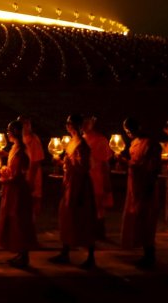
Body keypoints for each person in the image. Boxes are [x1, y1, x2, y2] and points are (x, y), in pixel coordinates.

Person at [50, 114, 97, 268]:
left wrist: (68, 163)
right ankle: (65, 251)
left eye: (69, 124)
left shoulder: (82, 144)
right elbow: (70, 162)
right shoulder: (72, 141)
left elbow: (84, 167)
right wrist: (62, 162)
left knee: (83, 218)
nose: (67, 126)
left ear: (74, 126)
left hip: (80, 185)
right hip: (70, 183)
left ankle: (90, 257)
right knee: (66, 216)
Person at [0, 120, 38, 268]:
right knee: (14, 222)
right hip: (13, 189)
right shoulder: (15, 148)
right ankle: (20, 253)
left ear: (15, 132)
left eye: (9, 131)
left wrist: (4, 179)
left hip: (18, 191)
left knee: (19, 221)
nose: (7, 134)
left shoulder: (21, 151)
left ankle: (24, 255)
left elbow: (19, 174)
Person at [120, 118, 162, 268]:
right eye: (126, 131)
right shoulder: (134, 143)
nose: (129, 133)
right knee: (137, 219)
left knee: (146, 220)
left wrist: (127, 163)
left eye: (131, 130)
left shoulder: (150, 144)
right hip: (134, 186)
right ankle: (144, 251)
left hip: (146, 185)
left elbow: (151, 167)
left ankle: (149, 254)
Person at [82, 116, 113, 239]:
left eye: (87, 123)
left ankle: (99, 232)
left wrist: (106, 181)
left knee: (98, 206)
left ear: (92, 123)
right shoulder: (82, 139)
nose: (83, 126)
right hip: (85, 178)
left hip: (97, 178)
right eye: (82, 123)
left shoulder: (100, 140)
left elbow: (105, 162)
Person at [18, 116, 45, 222]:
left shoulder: (33, 140)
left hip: (31, 175)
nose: (24, 126)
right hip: (23, 174)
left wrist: (31, 180)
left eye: (27, 124)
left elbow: (35, 161)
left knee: (32, 201)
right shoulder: (22, 139)